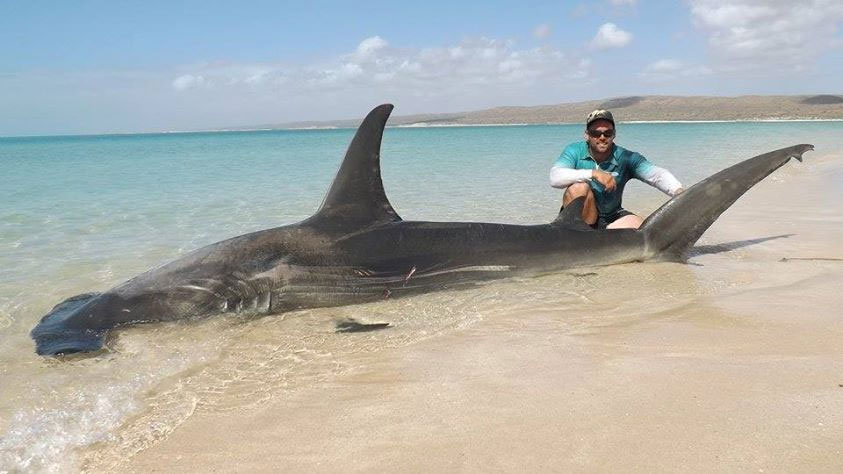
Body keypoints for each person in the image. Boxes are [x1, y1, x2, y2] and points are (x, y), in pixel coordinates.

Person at [549, 109, 684, 229]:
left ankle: (602, 239)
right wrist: (593, 173)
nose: (602, 138)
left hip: (611, 217)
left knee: (644, 231)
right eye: (595, 133)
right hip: (577, 222)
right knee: (578, 188)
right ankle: (580, 237)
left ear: (614, 134)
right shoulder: (574, 151)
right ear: (587, 135)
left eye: (607, 133)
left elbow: (656, 175)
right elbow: (555, 177)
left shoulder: (626, 157)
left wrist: (679, 192)